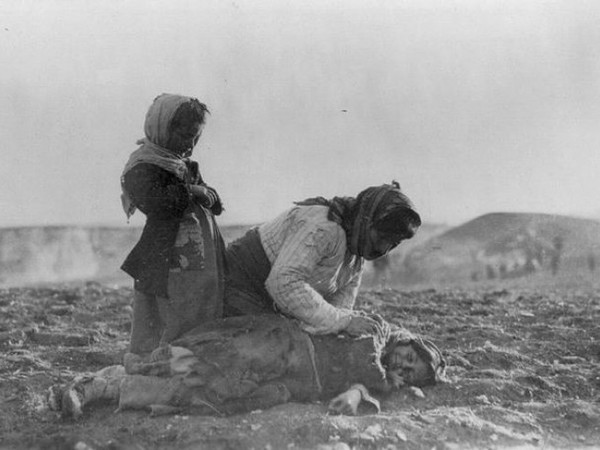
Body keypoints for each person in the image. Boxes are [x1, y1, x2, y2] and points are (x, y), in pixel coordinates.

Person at [48, 314, 446, 419]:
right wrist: (381, 380)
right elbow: (365, 357)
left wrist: (365, 392)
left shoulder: (381, 380)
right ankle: (94, 383)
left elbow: (362, 388)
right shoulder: (377, 332)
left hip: (291, 381)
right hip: (284, 347)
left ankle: (104, 391)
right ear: (406, 341)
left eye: (411, 371)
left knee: (213, 393)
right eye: (409, 358)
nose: (402, 366)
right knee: (207, 363)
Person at [224, 181, 421, 336]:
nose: (384, 248)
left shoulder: (355, 256)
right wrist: (343, 322)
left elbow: (338, 308)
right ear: (367, 219)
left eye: (394, 243)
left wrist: (344, 324)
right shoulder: (324, 227)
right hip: (239, 281)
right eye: (383, 237)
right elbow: (283, 283)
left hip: (271, 298)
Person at [120, 93, 226, 358]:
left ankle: (190, 358)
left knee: (198, 307)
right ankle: (154, 366)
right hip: (164, 257)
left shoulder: (185, 166)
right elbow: (157, 203)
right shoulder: (142, 167)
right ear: (162, 129)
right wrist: (193, 191)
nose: (190, 145)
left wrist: (211, 197)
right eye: (184, 136)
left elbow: (209, 198)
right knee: (163, 315)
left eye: (196, 138)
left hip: (198, 258)